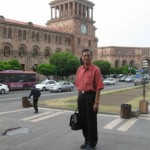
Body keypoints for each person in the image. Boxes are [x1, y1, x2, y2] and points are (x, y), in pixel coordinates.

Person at [75, 49, 104, 150]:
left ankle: (92, 143)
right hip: (81, 97)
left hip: (91, 96)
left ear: (91, 57)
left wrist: (96, 102)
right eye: (84, 55)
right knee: (83, 120)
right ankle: (86, 140)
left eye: (88, 55)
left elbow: (99, 87)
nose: (86, 57)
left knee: (91, 121)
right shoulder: (79, 70)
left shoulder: (96, 70)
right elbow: (78, 85)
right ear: (82, 57)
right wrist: (78, 99)